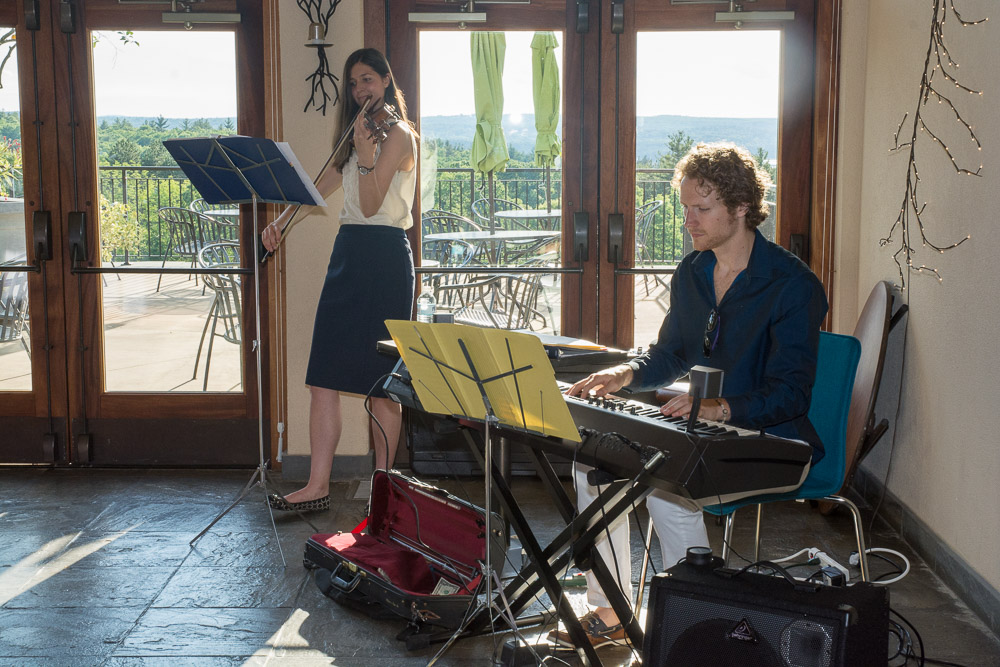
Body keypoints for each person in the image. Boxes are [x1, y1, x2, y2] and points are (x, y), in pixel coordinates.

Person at [550, 142, 828, 649]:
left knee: (666, 487)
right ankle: (610, 611)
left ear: (741, 207)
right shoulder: (694, 271)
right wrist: (626, 373)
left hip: (770, 437)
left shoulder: (792, 285)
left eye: (701, 209)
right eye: (685, 208)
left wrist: (721, 408)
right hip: (706, 426)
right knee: (593, 465)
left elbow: (791, 395)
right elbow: (672, 353)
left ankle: (694, 629)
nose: (688, 221)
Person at [261, 48, 417, 512]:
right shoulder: (356, 132)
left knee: (382, 384)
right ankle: (317, 486)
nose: (359, 89)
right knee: (323, 377)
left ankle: (383, 490)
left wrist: (367, 154)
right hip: (348, 253)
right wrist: (281, 220)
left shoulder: (399, 135)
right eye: (352, 83)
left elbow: (370, 204)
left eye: (367, 79)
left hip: (385, 259)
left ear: (386, 81)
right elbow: (321, 185)